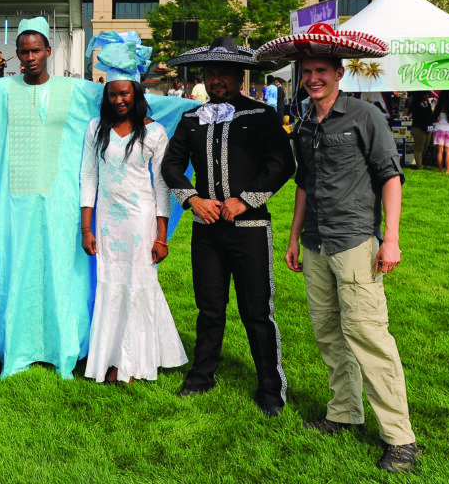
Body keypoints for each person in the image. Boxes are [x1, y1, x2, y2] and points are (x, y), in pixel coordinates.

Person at [0, 22, 197, 379]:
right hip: (14, 203)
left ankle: (65, 345)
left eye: (36, 50)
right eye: (23, 51)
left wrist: (191, 110)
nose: (29, 57)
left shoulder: (75, 90)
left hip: (62, 202)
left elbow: (121, 96)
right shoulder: (1, 90)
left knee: (63, 275)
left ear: (48, 52)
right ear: (18, 55)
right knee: (16, 271)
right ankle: (13, 344)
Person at [257, 24, 419, 474]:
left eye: (321, 71)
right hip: (316, 244)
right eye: (307, 71)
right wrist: (293, 236)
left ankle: (400, 439)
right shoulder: (305, 121)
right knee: (329, 333)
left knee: (369, 336)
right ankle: (344, 413)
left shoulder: (365, 116)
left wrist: (391, 239)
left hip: (354, 241)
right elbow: (305, 183)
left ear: (339, 73)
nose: (313, 78)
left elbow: (390, 177)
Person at [161, 37, 295, 417]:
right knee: (209, 308)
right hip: (207, 228)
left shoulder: (262, 115)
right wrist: (192, 199)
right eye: (210, 73)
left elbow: (282, 164)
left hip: (250, 227)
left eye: (224, 73)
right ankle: (202, 376)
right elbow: (171, 165)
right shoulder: (192, 119)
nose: (216, 79)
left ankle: (271, 388)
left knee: (256, 310)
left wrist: (246, 198)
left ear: (240, 75)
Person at [80, 35, 186, 384]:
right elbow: (88, 178)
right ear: (106, 96)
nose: (119, 99)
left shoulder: (153, 133)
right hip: (108, 223)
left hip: (141, 223)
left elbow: (160, 187)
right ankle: (110, 360)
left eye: (125, 93)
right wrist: (86, 228)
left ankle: (133, 363)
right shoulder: (96, 129)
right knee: (111, 284)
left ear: (137, 94)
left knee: (139, 284)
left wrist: (161, 236)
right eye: (113, 94)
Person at [406, 91, 435, 170]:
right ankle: (419, 167)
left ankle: (420, 162)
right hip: (418, 128)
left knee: (425, 148)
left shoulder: (428, 105)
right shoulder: (415, 105)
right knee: (419, 148)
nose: (426, 96)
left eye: (426, 94)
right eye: (424, 94)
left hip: (428, 129)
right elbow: (419, 117)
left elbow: (430, 116)